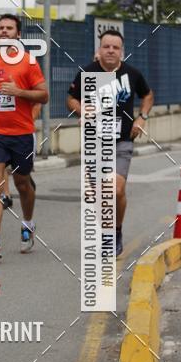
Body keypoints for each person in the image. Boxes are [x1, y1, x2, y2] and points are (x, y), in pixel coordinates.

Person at [67, 29, 153, 256]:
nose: (111, 51)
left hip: (122, 141)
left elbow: (148, 95)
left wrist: (142, 117)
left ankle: (115, 231)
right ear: (99, 49)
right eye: (107, 46)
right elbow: (70, 98)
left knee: (115, 190)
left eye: (116, 47)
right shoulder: (87, 72)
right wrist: (81, 109)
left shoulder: (131, 74)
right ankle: (107, 232)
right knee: (99, 194)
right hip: (94, 142)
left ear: (121, 51)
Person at [0, 14, 48, 260]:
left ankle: (28, 223)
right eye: (1, 28)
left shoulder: (28, 62)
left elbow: (44, 95)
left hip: (21, 133)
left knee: (22, 183)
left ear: (18, 34)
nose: (4, 31)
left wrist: (18, 91)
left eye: (9, 28)